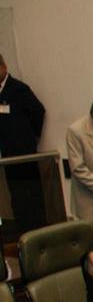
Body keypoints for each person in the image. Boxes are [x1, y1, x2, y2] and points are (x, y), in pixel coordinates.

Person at [0, 54, 47, 233]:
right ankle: (22, 230)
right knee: (16, 195)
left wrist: (31, 137)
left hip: (24, 153)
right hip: (7, 154)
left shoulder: (18, 88)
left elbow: (38, 111)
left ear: (3, 67)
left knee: (31, 194)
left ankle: (37, 231)